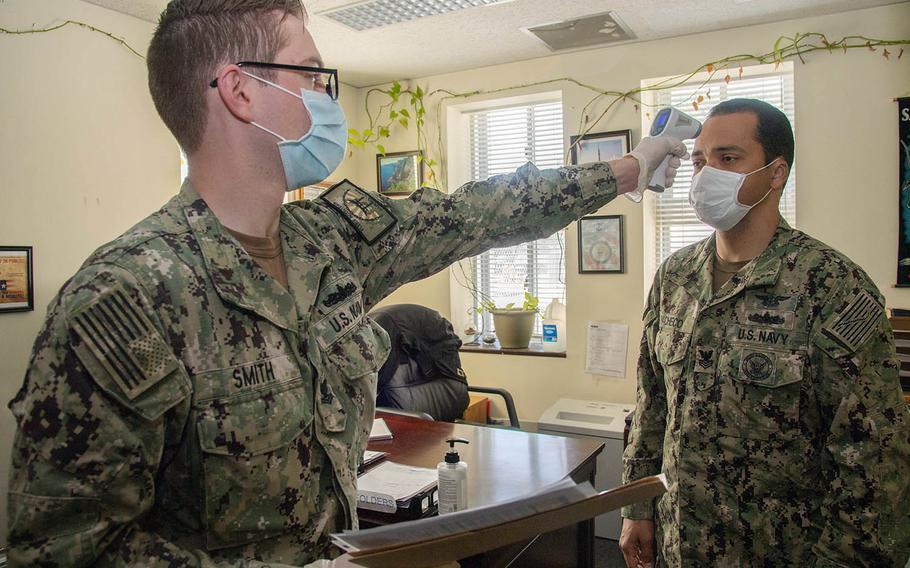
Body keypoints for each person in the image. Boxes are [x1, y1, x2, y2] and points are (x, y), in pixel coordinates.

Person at [5, 1, 686, 566]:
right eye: (308, 72)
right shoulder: (128, 299)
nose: (326, 95)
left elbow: (473, 214)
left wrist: (622, 172)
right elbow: (66, 550)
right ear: (242, 91)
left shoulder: (327, 243)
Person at [619, 98, 910, 567]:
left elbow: (872, 456)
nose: (705, 174)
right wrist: (637, 508)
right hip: (679, 544)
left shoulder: (831, 285)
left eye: (727, 158)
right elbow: (652, 403)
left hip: (781, 551)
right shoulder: (674, 278)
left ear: (776, 173)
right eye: (699, 161)